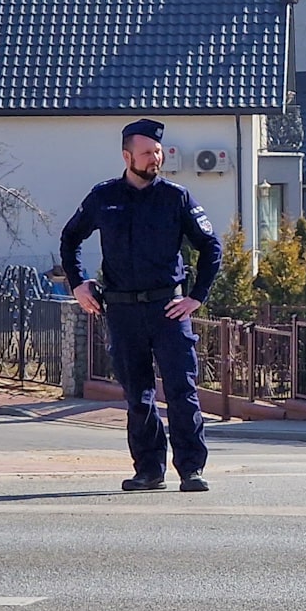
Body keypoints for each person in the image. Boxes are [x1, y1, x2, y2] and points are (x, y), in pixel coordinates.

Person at [59, 119, 224, 492]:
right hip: (121, 311)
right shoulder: (104, 197)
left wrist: (197, 296)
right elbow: (70, 239)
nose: (156, 158)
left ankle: (191, 469)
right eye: (148, 152)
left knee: (181, 390)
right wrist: (78, 283)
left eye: (159, 152)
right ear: (127, 155)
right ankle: (149, 470)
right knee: (138, 395)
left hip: (168, 309)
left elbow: (211, 247)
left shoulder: (176, 197)